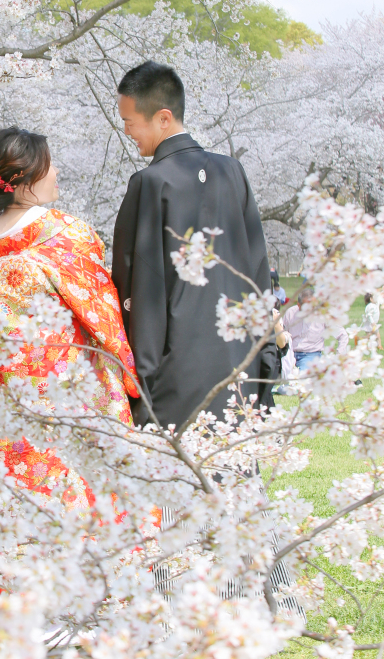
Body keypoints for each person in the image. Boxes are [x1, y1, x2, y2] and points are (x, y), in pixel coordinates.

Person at [0, 126, 139, 505]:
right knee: (69, 503)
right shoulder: (65, 232)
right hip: (62, 400)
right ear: (27, 178)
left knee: (9, 500)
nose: (55, 175)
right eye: (49, 166)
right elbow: (102, 309)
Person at [110, 61, 279, 429]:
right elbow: (256, 267)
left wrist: (141, 377)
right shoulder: (233, 172)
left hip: (176, 374)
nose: (125, 131)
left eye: (129, 121)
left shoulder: (149, 184)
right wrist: (264, 353)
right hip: (240, 363)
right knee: (233, 477)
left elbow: (138, 288)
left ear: (163, 118)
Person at [281, 286, 325, 370]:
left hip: (311, 354)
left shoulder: (322, 314)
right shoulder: (291, 313)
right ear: (298, 305)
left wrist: (339, 355)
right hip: (290, 353)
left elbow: (342, 334)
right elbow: (282, 334)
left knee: (301, 377)